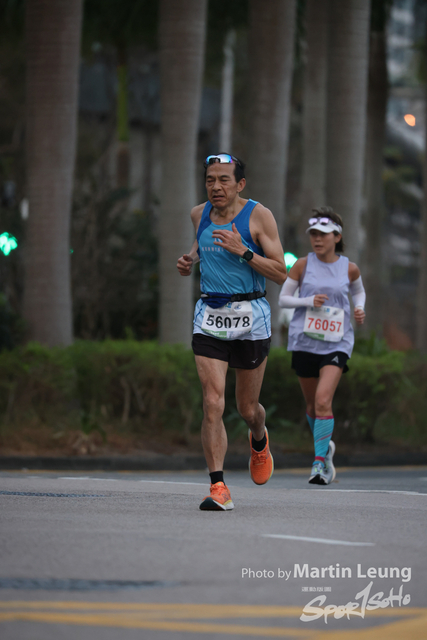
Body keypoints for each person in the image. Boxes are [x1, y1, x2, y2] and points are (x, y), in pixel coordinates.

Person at [177, 153, 287, 510]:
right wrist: (189, 260)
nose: (216, 186)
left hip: (250, 316)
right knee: (213, 402)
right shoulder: (198, 214)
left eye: (224, 179)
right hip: (210, 315)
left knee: (247, 408)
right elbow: (202, 246)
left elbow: (281, 273)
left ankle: (259, 437)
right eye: (210, 179)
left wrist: (245, 252)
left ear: (240, 184)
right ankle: (218, 487)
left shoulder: (258, 216)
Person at [278, 207, 366, 485]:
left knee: (323, 400)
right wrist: (308, 301)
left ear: (337, 237)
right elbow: (283, 299)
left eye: (323, 234)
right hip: (304, 341)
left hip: (337, 342)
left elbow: (358, 291)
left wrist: (360, 307)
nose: (317, 239)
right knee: (312, 405)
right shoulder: (302, 265)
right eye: (313, 234)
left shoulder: (349, 268)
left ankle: (319, 464)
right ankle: (325, 447)